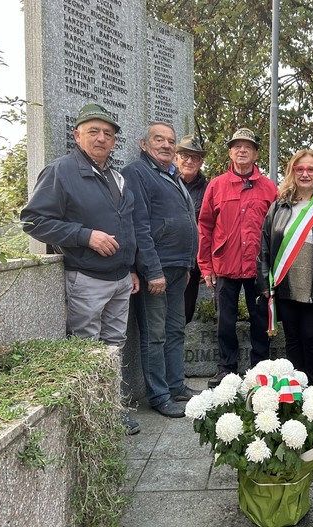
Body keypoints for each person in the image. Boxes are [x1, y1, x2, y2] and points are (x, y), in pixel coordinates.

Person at [21, 103, 141, 434]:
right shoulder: (61, 171)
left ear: (114, 141)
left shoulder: (116, 176)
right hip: (86, 279)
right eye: (93, 131)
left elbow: (127, 225)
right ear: (77, 135)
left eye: (108, 133)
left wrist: (130, 267)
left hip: (119, 279)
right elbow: (33, 220)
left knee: (114, 347)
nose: (101, 138)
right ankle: (92, 419)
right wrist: (84, 236)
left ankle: (111, 411)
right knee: (87, 352)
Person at [123, 122, 199, 418]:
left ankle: (176, 384)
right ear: (144, 144)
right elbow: (139, 225)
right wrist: (152, 270)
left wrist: (188, 262)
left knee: (175, 329)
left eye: (171, 141)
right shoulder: (137, 173)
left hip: (179, 267)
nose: (167, 145)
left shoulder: (172, 175)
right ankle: (159, 394)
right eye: (159, 139)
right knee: (155, 334)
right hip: (157, 269)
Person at [258, 150, 313, 385]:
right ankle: (296, 390)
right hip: (286, 284)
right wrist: (264, 283)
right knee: (292, 339)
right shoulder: (278, 206)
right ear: (292, 172)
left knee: (312, 338)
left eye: (310, 169)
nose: (305, 174)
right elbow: (265, 247)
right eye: (300, 169)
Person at [198, 128, 278, 388]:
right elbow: (206, 226)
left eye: (248, 146)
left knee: (260, 320)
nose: (242, 150)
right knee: (225, 321)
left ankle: (259, 368)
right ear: (230, 152)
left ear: (255, 153)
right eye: (237, 146)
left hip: (258, 268)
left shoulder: (268, 188)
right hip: (225, 265)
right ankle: (226, 367)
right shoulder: (216, 185)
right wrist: (205, 265)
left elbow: (278, 229)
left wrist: (274, 268)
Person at [175, 135, 209, 325]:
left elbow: (213, 226)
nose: (189, 161)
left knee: (185, 315)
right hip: (165, 261)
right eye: (185, 155)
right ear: (176, 158)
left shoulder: (209, 189)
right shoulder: (164, 182)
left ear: (201, 162)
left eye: (195, 157)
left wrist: (206, 265)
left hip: (192, 264)